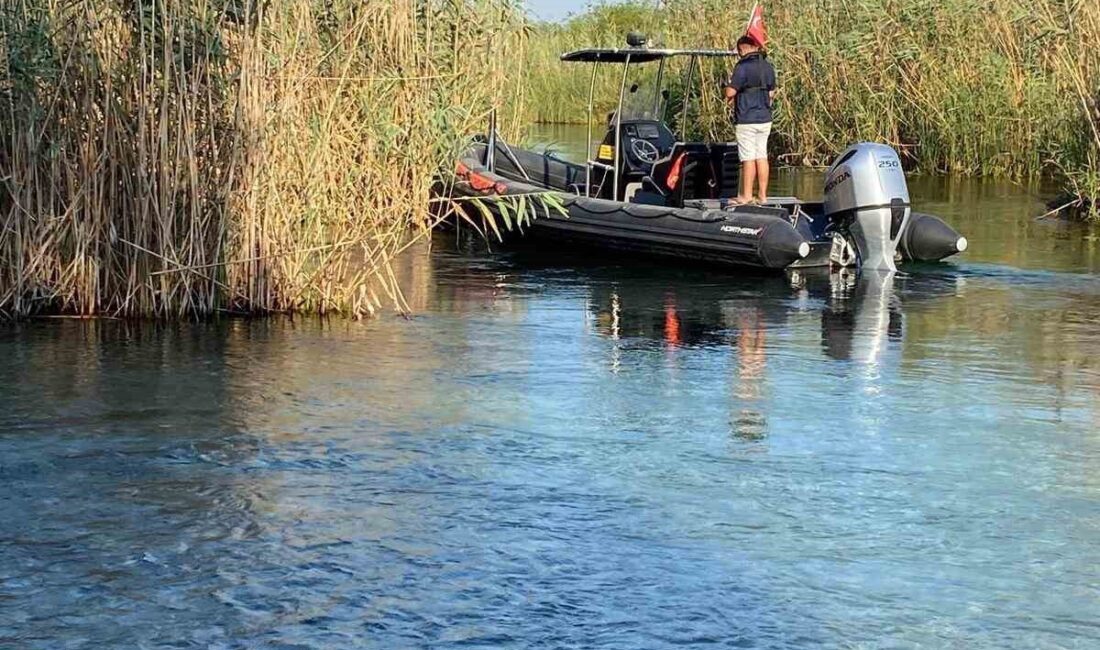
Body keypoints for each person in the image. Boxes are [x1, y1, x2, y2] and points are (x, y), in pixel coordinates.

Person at [725, 36, 777, 204]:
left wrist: (727, 85)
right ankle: (762, 196)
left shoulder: (742, 67)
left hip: (747, 119)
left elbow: (730, 93)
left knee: (748, 158)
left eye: (738, 51)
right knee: (761, 155)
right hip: (765, 119)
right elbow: (771, 94)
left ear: (742, 49)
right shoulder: (768, 67)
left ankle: (746, 196)